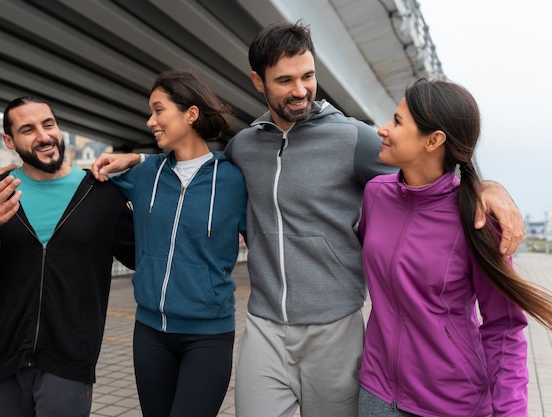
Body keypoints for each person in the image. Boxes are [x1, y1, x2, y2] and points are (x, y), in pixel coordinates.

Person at [91, 21, 525, 417]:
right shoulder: (243, 147)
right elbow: (199, 172)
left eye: (308, 76)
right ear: (258, 82)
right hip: (263, 325)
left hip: (334, 329)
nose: (300, 90)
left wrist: (488, 188)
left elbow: (428, 179)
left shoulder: (353, 138)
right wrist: (141, 160)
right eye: (285, 81)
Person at [357, 78, 552, 416]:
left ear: (433, 141)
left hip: (451, 402)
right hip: (376, 392)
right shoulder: (376, 194)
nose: (383, 129)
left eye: (398, 122)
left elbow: (504, 327)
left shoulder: (476, 220)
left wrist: (509, 412)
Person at [0, 96, 137, 417]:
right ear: (9, 141)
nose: (44, 136)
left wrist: (142, 171)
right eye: (28, 129)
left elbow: (142, 255)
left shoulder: (101, 192)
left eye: (48, 124)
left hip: (70, 358)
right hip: (2, 359)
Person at [102, 69, 247, 417]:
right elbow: (85, 189)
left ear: (191, 114)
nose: (150, 120)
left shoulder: (233, 180)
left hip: (208, 337)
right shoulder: (145, 174)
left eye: (158, 110)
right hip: (149, 332)